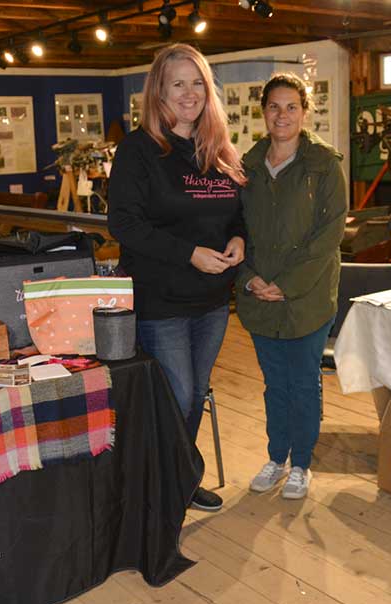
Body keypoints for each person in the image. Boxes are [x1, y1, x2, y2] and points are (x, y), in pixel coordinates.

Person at [108, 43, 247, 512]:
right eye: (178, 84)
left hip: (213, 300)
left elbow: (236, 215)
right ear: (159, 92)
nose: (189, 93)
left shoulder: (218, 150)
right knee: (179, 396)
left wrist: (239, 239)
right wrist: (189, 254)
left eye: (197, 83)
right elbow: (124, 225)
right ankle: (165, 485)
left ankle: (179, 481)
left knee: (194, 395)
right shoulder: (139, 150)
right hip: (161, 299)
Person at [236, 73, 348, 500]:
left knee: (303, 383)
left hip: (308, 298)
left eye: (291, 107)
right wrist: (248, 279)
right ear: (263, 112)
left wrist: (286, 285)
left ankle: (301, 463)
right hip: (260, 296)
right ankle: (275, 457)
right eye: (274, 107)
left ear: (305, 112)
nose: (282, 115)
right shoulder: (246, 167)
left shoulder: (324, 165)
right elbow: (233, 229)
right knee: (274, 384)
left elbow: (329, 234)